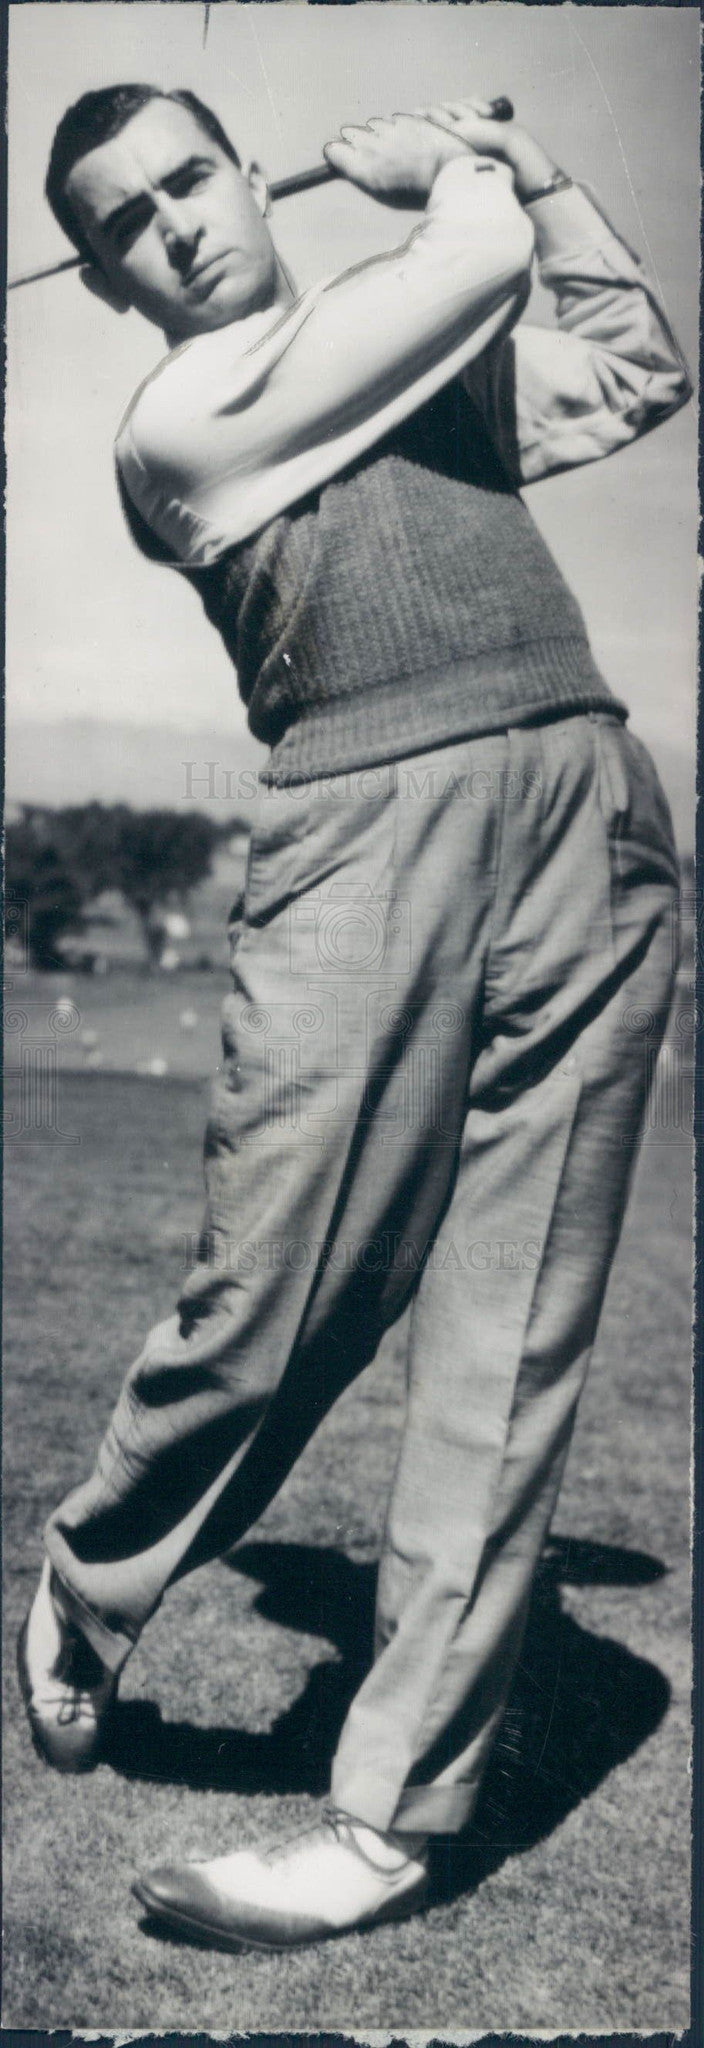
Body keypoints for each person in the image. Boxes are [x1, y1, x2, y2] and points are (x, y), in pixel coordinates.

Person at [18, 81, 690, 1950]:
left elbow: (636, 367)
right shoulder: (180, 422)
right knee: (279, 1299)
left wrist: (551, 177)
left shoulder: (421, 351)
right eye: (123, 223)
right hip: (363, 829)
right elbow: (463, 265)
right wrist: (471, 178)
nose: (174, 225)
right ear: (101, 281)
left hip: (583, 801)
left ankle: (384, 1815)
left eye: (190, 179)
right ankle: (92, 1579)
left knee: (512, 1332)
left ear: (246, 171)